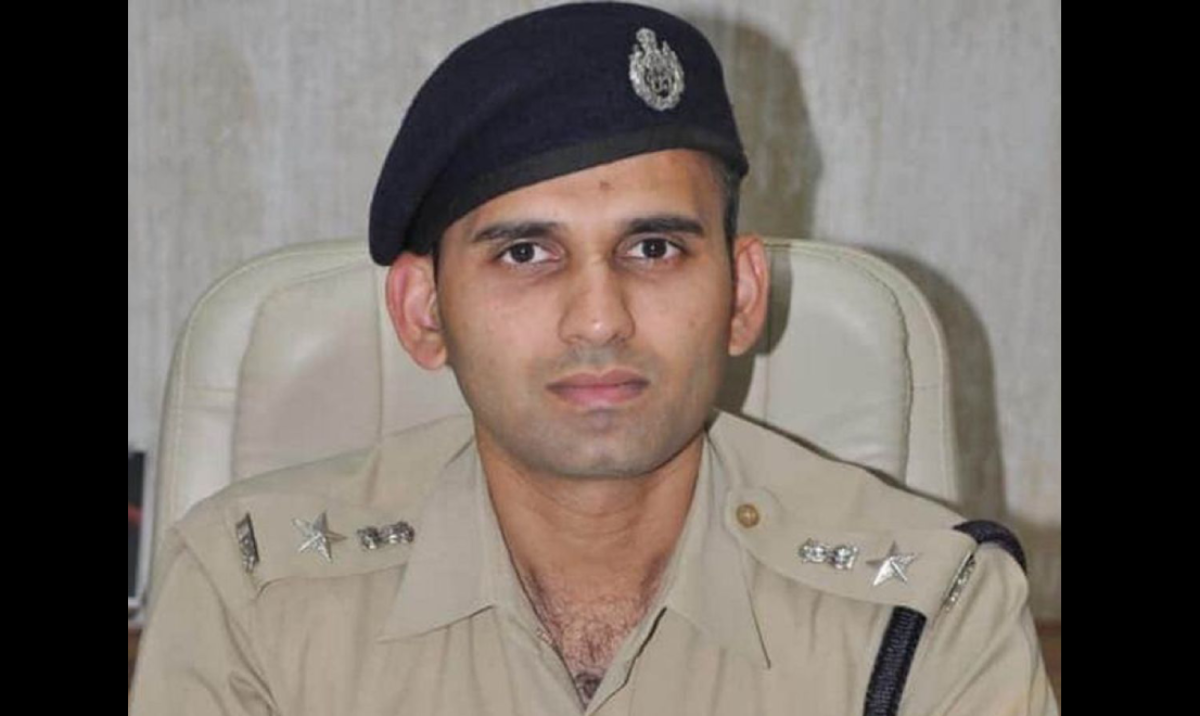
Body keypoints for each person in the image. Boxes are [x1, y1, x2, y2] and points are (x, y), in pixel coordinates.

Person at [129, 3, 1058, 715]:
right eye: (525, 253)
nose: (600, 320)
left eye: (654, 248)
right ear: (424, 312)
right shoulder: (251, 593)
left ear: (742, 294)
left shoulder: (930, 613)